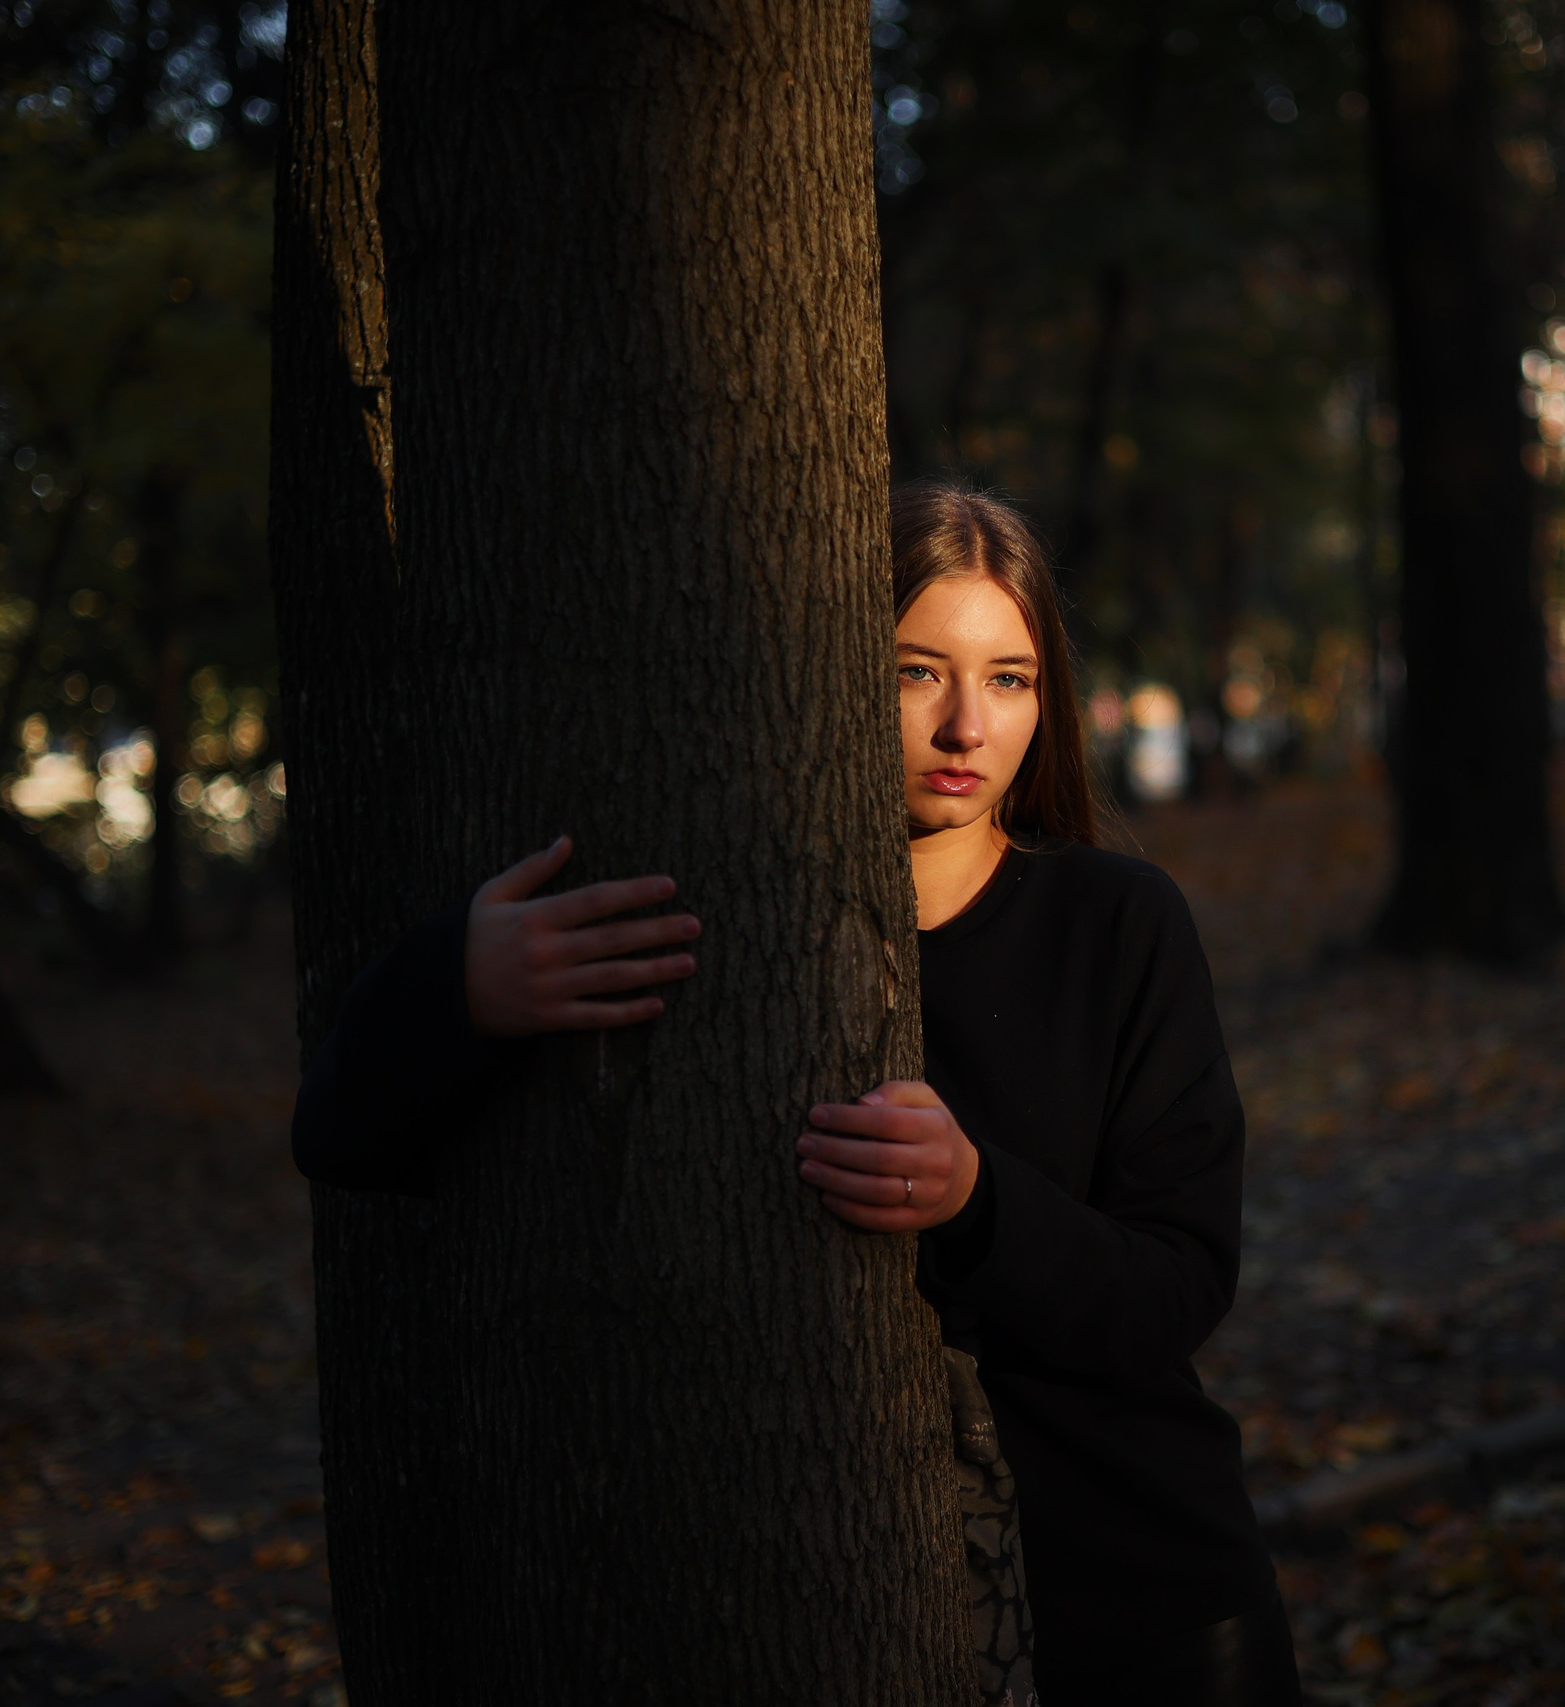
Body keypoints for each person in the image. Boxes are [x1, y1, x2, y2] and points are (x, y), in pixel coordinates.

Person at [291, 482, 1302, 1706]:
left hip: (1137, 1598)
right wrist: (457, 989)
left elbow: (1178, 1287)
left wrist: (980, 1200)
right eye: (915, 669)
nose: (964, 726)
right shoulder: (717, 922)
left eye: (1010, 679)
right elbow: (343, 1134)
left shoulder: (1119, 923)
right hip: (799, 1619)